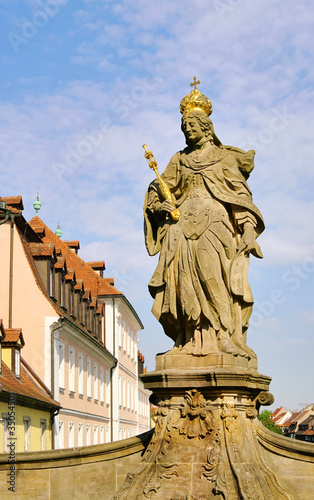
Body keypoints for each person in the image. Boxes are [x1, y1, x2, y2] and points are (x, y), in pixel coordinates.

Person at [144, 82, 264, 357]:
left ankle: (223, 336)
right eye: (184, 128)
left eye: (192, 127)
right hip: (181, 227)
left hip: (214, 224)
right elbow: (165, 188)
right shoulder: (178, 159)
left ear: (205, 127)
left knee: (212, 277)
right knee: (181, 281)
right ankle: (186, 340)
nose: (187, 132)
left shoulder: (223, 158)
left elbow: (240, 195)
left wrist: (247, 230)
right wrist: (158, 201)